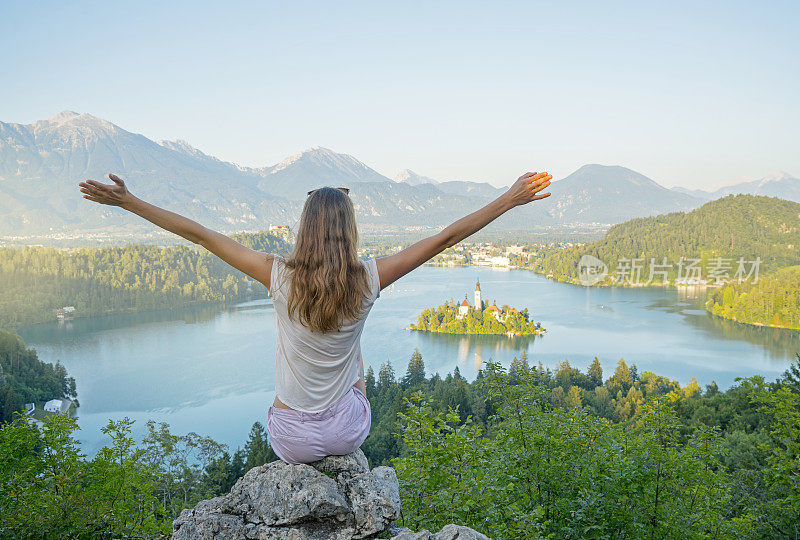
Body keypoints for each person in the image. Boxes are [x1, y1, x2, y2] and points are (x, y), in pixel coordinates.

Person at [77, 170, 552, 464]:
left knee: (300, 381)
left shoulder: (277, 275)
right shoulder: (369, 278)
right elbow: (445, 239)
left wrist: (129, 202)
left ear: (305, 229)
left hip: (292, 439)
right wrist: (509, 198)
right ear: (350, 231)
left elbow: (200, 235)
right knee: (355, 349)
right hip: (347, 432)